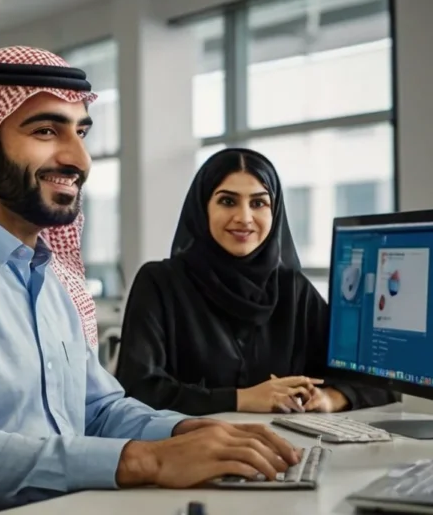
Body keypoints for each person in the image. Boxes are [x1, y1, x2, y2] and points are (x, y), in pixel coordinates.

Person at [0, 48, 300, 515]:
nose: (78, 158)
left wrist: (192, 434)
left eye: (81, 132)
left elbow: (97, 410)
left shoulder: (44, 274)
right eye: (45, 131)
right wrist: (149, 460)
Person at [114, 148, 399, 416]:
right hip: (189, 452)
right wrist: (244, 399)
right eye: (227, 201)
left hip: (286, 453)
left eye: (259, 202)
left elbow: (378, 380)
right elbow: (137, 390)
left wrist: (329, 398)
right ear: (203, 209)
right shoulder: (160, 283)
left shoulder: (293, 290)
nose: (244, 218)